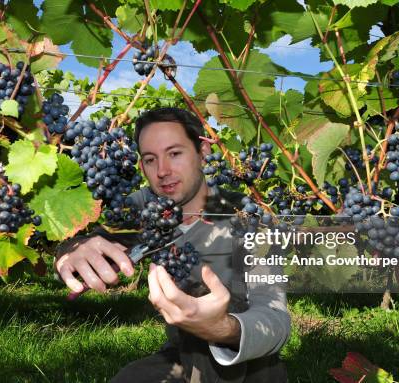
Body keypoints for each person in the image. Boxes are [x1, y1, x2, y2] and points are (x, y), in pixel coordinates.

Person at [54, 107, 290, 382]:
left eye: (175, 153)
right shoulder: (140, 207)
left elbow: (275, 319)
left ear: (202, 152)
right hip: (182, 353)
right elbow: (91, 245)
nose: (163, 171)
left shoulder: (247, 217)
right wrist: (69, 251)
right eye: (151, 159)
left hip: (250, 362)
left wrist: (223, 328)